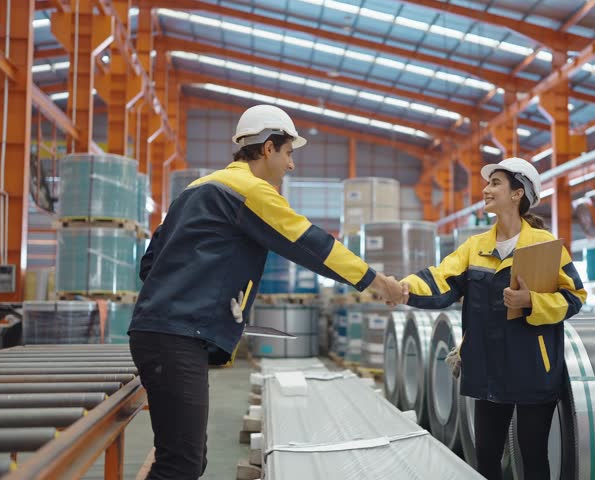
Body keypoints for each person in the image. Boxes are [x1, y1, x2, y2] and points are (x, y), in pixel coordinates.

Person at [128, 104, 406, 479]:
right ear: (267, 148)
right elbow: (313, 246)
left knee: (187, 459)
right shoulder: (250, 191)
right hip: (175, 338)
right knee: (181, 464)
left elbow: (149, 265)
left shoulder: (195, 190)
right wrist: (378, 282)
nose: (291, 165)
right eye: (288, 153)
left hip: (161, 333)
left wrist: (192, 289)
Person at [400, 157, 587, 480]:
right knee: (486, 456)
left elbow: (575, 297)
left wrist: (532, 301)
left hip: (533, 368)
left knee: (533, 456)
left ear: (517, 193)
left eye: (495, 183)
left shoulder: (545, 246)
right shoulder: (475, 247)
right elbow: (441, 280)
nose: (486, 189)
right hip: (488, 369)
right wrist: (403, 288)